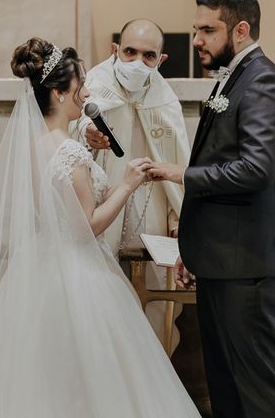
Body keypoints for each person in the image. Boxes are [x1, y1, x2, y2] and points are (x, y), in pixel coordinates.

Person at [0, 38, 200, 417]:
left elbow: (57, 210)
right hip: (76, 273)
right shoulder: (69, 151)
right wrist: (126, 184)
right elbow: (85, 227)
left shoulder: (36, 145)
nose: (87, 92)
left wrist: (94, 159)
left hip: (40, 263)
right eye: (80, 86)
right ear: (60, 93)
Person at [149, 0, 275, 417]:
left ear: (240, 30)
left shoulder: (261, 81)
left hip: (246, 273)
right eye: (196, 28)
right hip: (220, 262)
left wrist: (180, 173)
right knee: (225, 391)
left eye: (207, 30)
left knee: (256, 394)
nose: (197, 40)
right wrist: (193, 245)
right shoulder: (233, 77)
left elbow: (257, 168)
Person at [74, 19, 191, 347]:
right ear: (115, 49)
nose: (138, 62)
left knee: (154, 303)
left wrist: (179, 219)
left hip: (150, 211)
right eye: (129, 52)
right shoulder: (92, 85)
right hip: (102, 208)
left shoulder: (165, 100)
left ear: (161, 60)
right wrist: (87, 135)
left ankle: (151, 371)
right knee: (97, 300)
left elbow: (179, 163)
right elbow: (64, 132)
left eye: (148, 56)